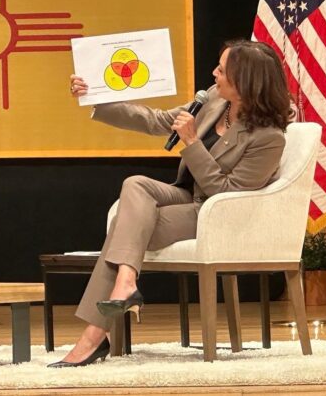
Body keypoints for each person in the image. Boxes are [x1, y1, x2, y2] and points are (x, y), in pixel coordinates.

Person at [48, 39, 291, 368]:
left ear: (245, 81)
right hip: (189, 194)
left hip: (215, 214)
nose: (214, 73)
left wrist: (192, 142)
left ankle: (94, 336)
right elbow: (157, 120)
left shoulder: (268, 138)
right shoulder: (216, 99)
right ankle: (126, 284)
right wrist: (96, 97)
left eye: (222, 70)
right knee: (135, 183)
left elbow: (226, 192)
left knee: (125, 226)